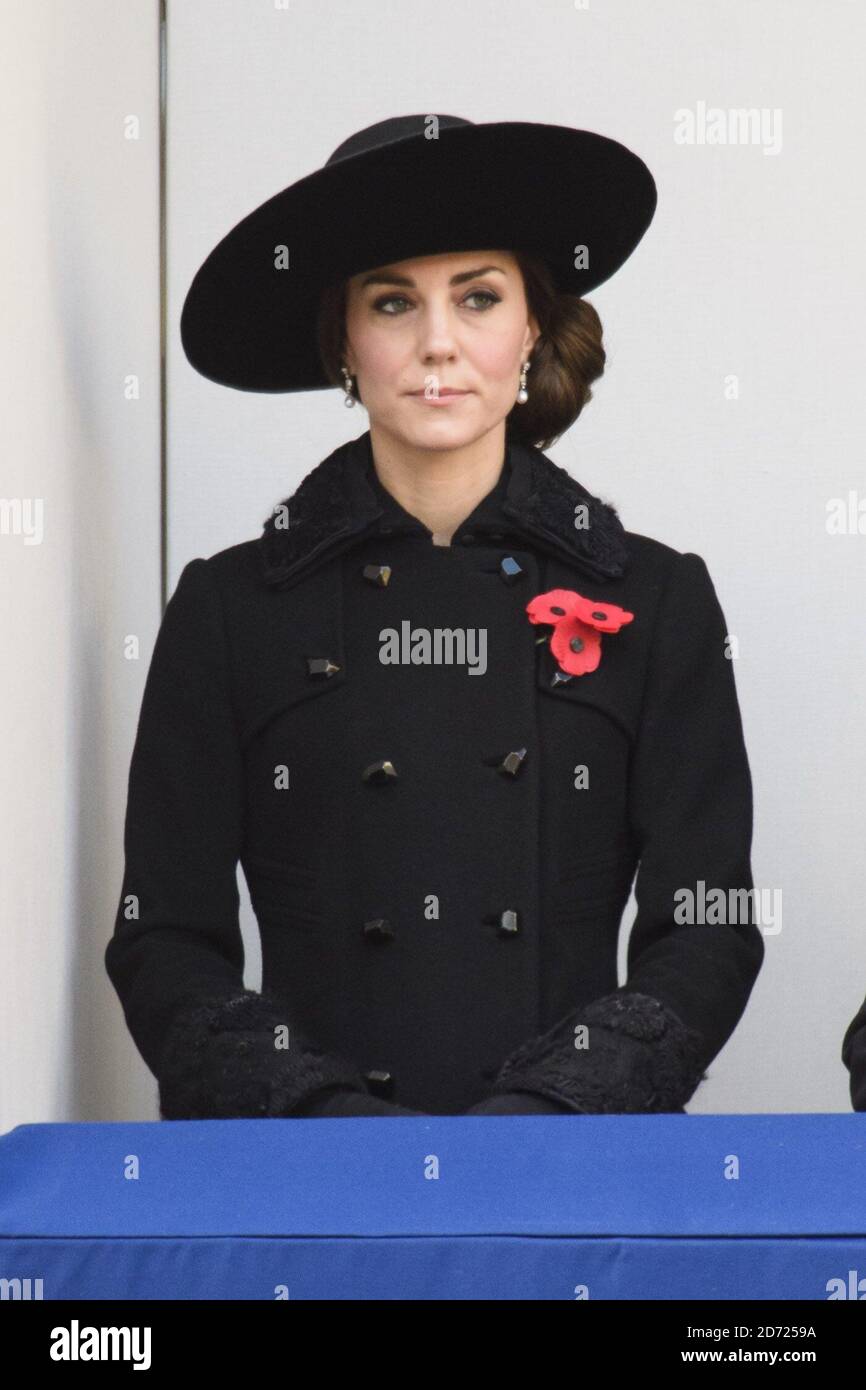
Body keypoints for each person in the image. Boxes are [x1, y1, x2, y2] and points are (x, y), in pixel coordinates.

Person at [105, 113, 764, 1119]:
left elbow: (706, 925)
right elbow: (164, 936)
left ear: (531, 327)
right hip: (313, 1195)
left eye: (477, 297)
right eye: (391, 302)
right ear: (343, 342)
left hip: (568, 1185)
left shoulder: (655, 597)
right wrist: (316, 1117)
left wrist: (552, 1110)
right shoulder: (229, 608)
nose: (438, 344)